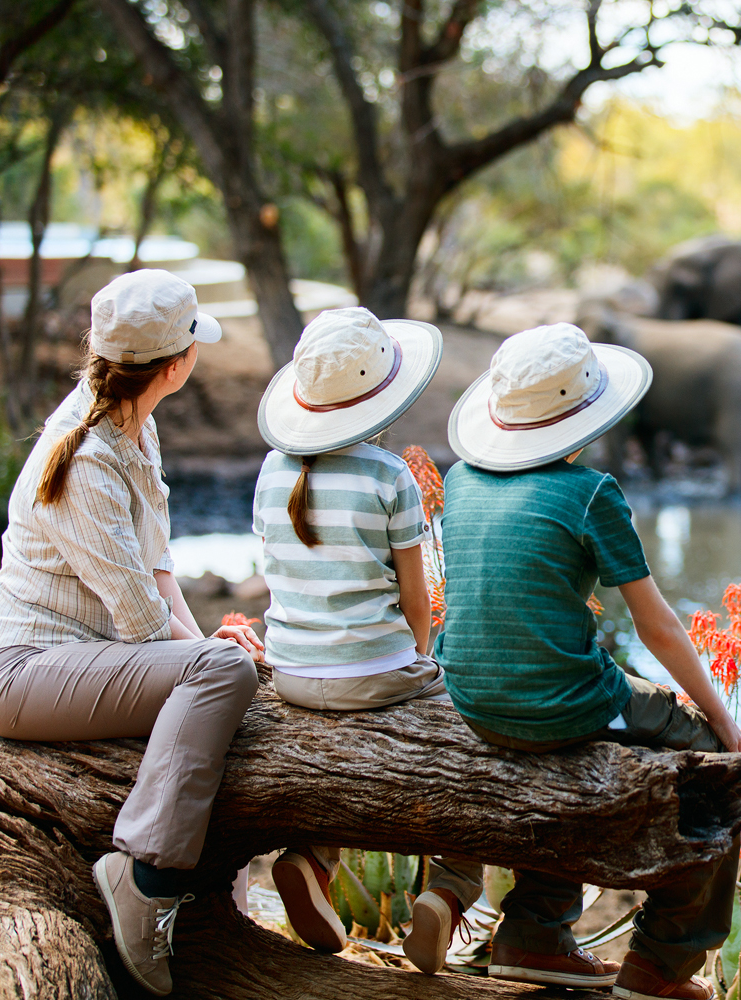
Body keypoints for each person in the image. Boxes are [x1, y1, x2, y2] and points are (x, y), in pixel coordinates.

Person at [0, 270, 263, 997]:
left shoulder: (135, 425)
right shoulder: (88, 457)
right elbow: (137, 622)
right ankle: (145, 876)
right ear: (175, 365)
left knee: (225, 666)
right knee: (225, 676)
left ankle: (200, 895)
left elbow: (157, 571)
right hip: (18, 671)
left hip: (76, 659)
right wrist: (211, 662)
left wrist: (209, 640)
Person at [437, 323, 741, 1000]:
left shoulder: (459, 478)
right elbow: (658, 626)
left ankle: (535, 936)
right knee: (717, 777)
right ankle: (662, 962)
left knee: (563, 751)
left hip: (469, 700)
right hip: (563, 702)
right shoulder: (590, 492)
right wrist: (722, 722)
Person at [249, 306, 483, 969]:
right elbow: (416, 599)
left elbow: (275, 574)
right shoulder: (389, 477)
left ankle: (313, 858)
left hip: (291, 671)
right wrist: (421, 662)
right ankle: (451, 888)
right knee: (472, 743)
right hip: (377, 671)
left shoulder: (271, 472)